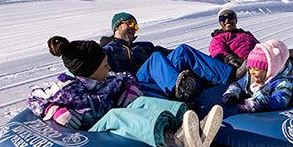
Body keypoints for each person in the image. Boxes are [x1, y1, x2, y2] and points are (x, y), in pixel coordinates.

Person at [26, 36, 223, 147]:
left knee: (140, 101)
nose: (109, 67)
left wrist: (130, 90)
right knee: (116, 115)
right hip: (91, 133)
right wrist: (56, 110)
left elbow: (126, 76)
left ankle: (190, 123)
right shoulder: (66, 89)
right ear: (90, 71)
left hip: (107, 120)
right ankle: (178, 139)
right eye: (105, 65)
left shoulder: (108, 78)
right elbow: (34, 97)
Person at [100, 12, 246, 104]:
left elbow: (172, 53)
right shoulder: (108, 50)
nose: (133, 28)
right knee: (156, 57)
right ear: (117, 27)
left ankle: (230, 75)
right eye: (130, 24)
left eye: (136, 26)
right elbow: (105, 73)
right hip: (136, 79)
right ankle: (179, 91)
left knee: (182, 49)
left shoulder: (143, 46)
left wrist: (216, 59)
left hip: (157, 73)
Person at [222, 39, 293, 113]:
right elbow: (238, 85)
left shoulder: (281, 83)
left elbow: (281, 100)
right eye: (250, 68)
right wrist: (231, 94)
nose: (252, 72)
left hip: (266, 117)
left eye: (256, 69)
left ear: (269, 70)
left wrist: (259, 104)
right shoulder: (251, 78)